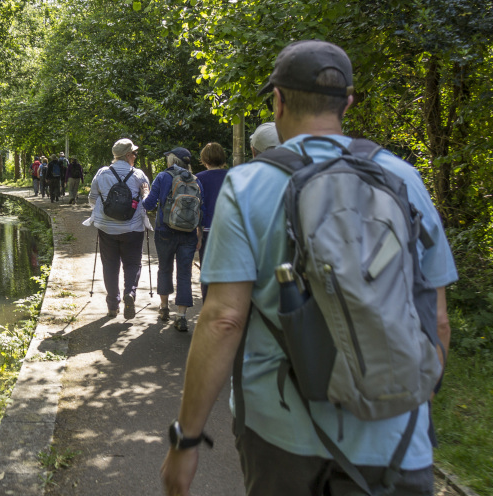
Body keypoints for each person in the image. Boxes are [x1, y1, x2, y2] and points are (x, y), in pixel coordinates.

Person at [160, 40, 458, 496]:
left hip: (282, 437)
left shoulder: (249, 186)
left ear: (277, 101)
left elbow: (223, 319)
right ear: (348, 103)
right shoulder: (403, 179)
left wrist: (187, 440)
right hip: (398, 442)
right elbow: (435, 318)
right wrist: (406, 404)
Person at [140, 147, 205, 332]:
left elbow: (149, 204)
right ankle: (182, 316)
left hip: (165, 230)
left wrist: (145, 193)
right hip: (189, 234)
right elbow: (202, 210)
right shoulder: (196, 180)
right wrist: (199, 233)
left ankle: (164, 308)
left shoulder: (163, 177)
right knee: (184, 273)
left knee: (165, 268)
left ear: (172, 160)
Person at [86, 138, 150, 319]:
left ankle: (113, 306)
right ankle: (130, 293)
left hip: (107, 229)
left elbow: (92, 199)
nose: (136, 156)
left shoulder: (102, 173)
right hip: (133, 229)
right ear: (128, 155)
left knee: (110, 265)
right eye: (134, 153)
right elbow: (147, 202)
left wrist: (103, 211)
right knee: (132, 264)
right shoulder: (139, 175)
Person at [194, 143, 228, 301]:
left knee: (207, 270)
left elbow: (197, 206)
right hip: (228, 229)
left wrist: (197, 232)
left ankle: (208, 304)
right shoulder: (232, 176)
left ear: (204, 159)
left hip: (206, 229)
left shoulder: (198, 178)